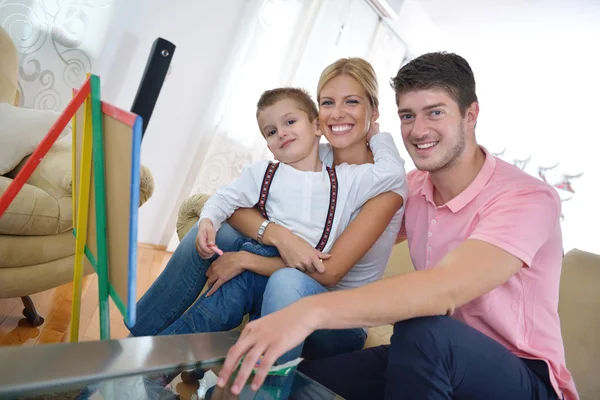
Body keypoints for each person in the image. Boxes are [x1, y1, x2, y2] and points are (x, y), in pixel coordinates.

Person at [216, 52, 579, 400]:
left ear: (471, 115)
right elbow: (334, 240)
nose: (418, 130)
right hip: (426, 355)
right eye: (407, 116)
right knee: (302, 385)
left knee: (421, 326)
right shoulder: (413, 189)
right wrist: (269, 234)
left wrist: (306, 313)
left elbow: (443, 290)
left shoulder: (528, 198)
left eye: (434, 113)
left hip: (520, 377)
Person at [127, 58, 407, 361]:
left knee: (277, 280)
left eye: (351, 102)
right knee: (220, 233)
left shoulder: (381, 184)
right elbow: (238, 206)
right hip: (283, 279)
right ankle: (133, 348)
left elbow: (329, 273)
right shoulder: (312, 154)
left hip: (338, 315)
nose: (337, 113)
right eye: (328, 102)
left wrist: (245, 260)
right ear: (317, 116)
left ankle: (160, 366)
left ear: (374, 111)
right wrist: (279, 236)